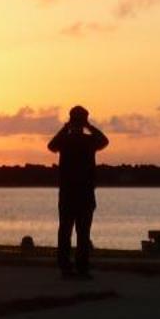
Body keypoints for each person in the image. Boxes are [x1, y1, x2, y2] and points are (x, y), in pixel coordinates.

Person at [47, 105, 108, 278]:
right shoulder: (86, 141)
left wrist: (66, 127)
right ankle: (78, 267)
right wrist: (86, 126)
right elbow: (103, 140)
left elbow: (52, 145)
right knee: (79, 232)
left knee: (69, 231)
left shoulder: (69, 140)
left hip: (72, 193)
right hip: (80, 193)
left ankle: (69, 266)